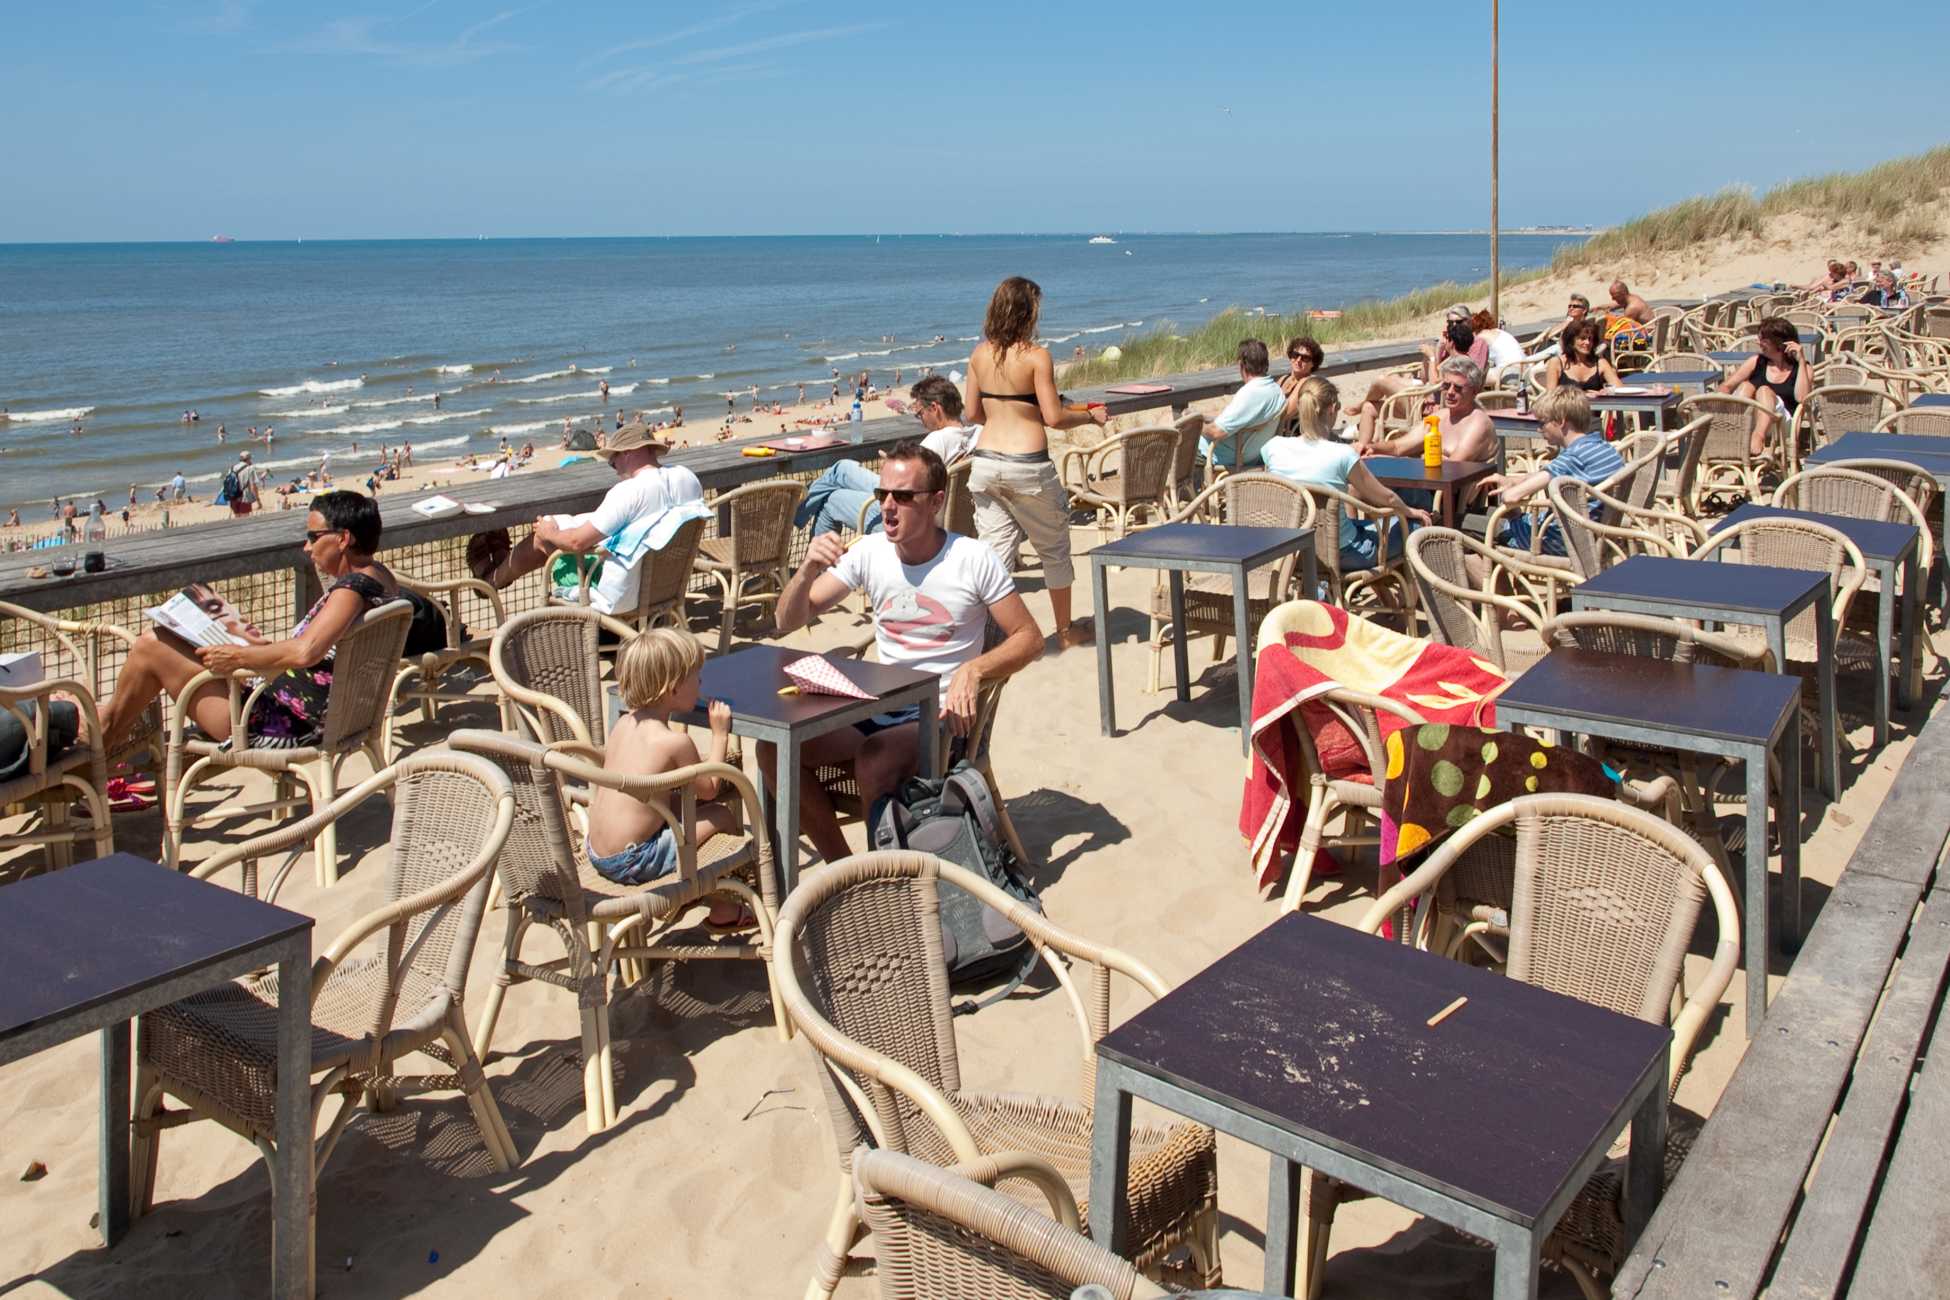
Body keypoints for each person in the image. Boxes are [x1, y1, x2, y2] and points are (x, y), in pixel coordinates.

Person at [764, 440, 1043, 865]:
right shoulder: (870, 551)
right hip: (877, 705)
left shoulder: (971, 558)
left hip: (940, 716)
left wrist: (974, 668)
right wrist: (805, 572)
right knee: (773, 748)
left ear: (935, 502)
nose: (889, 506)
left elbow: (1028, 637)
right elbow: (786, 620)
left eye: (903, 496)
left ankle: (886, 879)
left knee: (874, 760)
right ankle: (847, 871)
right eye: (882, 495)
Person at [96, 492, 398, 753]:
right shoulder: (379, 577)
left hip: (285, 724)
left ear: (344, 538)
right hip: (319, 710)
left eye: (313, 537)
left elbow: (307, 652)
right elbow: (316, 652)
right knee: (162, 646)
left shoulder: (352, 590)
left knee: (153, 645)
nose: (306, 548)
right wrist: (253, 651)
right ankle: (106, 734)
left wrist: (236, 657)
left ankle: (102, 745)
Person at [965, 275, 1105, 649]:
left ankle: (981, 636)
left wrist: (1006, 414)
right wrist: (1090, 417)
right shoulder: (1036, 356)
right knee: (1054, 549)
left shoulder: (979, 354)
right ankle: (1065, 633)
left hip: (985, 461)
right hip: (1027, 464)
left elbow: (971, 412)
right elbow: (1055, 417)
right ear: (1029, 313)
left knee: (994, 556)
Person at [584, 628, 747, 925]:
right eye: (695, 676)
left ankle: (692, 894)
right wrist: (720, 735)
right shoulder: (673, 743)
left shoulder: (624, 724)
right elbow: (710, 788)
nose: (700, 682)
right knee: (721, 815)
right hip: (633, 860)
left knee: (682, 807)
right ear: (672, 689)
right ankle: (722, 905)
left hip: (596, 850)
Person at [478, 421, 704, 615]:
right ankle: (499, 571)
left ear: (627, 453)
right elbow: (645, 524)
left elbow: (576, 542)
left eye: (612, 460)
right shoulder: (687, 478)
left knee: (543, 541)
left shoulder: (629, 492)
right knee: (568, 529)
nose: (613, 467)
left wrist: (549, 532)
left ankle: (492, 580)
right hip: (666, 583)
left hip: (624, 595)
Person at [1263, 377, 1430, 574]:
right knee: (1415, 527)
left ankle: (1335, 589)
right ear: (1332, 409)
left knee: (1358, 525)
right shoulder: (1342, 454)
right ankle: (1414, 599)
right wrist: (1411, 512)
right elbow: (1387, 498)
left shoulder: (1273, 447)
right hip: (1342, 552)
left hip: (1292, 552)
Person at [796, 375, 979, 535]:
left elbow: (906, 490)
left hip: (912, 521)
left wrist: (892, 468)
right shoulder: (978, 434)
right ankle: (796, 517)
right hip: (951, 521)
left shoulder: (936, 441)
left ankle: (799, 531)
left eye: (920, 414)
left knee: (833, 496)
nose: (921, 420)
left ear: (935, 408)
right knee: (842, 469)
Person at [1475, 387, 1623, 558]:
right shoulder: (1601, 447)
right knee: (1483, 515)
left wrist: (1513, 510)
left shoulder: (1573, 457)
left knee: (1458, 524)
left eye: (1542, 423)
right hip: (1591, 534)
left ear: (1560, 421)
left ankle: (1489, 581)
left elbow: (1511, 498)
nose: (1539, 430)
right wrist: (1513, 480)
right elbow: (1548, 474)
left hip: (1556, 541)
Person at [1719, 317, 1811, 457]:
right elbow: (1727, 386)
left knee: (1763, 390)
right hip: (1752, 419)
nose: (1758, 343)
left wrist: (1802, 360)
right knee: (1746, 386)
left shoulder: (1803, 368)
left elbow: (1802, 398)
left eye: (1763, 340)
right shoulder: (1756, 362)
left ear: (1779, 344)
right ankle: (1737, 432)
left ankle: (1758, 437)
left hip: (1782, 425)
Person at [1198, 339, 1287, 470]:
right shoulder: (1276, 391)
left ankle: (1173, 489)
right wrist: (1205, 417)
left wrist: (1196, 427)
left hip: (1228, 455)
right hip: (1253, 453)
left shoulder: (1250, 393)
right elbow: (1239, 419)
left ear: (1241, 365)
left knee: (1175, 446)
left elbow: (1217, 432)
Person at [1544, 319, 1622, 392]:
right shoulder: (1556, 363)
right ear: (1571, 341)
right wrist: (1585, 394)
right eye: (1582, 338)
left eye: (1590, 339)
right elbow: (1551, 396)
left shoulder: (1600, 363)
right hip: (1566, 406)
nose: (1587, 342)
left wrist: (1606, 391)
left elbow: (1620, 388)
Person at [1277, 336, 1325, 401]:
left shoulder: (1307, 385)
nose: (1298, 360)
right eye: (1295, 355)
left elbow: (1287, 410)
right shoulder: (1283, 379)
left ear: (1313, 363)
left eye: (1305, 358)